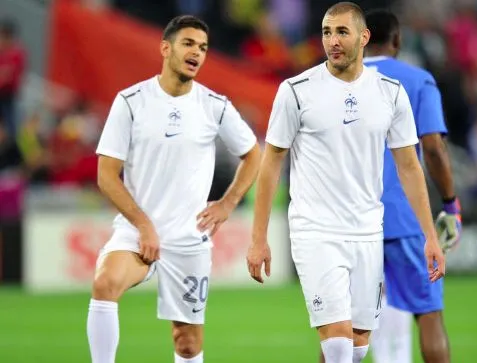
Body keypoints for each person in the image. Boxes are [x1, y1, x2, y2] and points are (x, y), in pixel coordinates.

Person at [246, 3, 445, 363]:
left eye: (341, 32)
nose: (332, 41)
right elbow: (271, 163)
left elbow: (410, 167)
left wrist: (429, 234)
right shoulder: (296, 91)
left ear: (364, 37)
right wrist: (258, 238)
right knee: (337, 341)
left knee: (357, 344)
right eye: (326, 32)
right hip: (316, 231)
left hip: (369, 231)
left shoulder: (391, 92)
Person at [88, 15, 261, 363]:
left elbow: (253, 154)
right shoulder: (131, 101)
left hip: (188, 239)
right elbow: (106, 175)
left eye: (203, 48)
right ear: (165, 48)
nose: (197, 52)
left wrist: (229, 203)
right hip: (137, 232)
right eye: (188, 44)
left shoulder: (214, 106)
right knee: (105, 285)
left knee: (186, 342)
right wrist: (143, 224)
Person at [363, 10, 462, 363]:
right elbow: (433, 148)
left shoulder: (336, 83)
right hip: (405, 219)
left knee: (341, 329)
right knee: (429, 315)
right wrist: (450, 205)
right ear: (397, 40)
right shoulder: (417, 80)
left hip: (351, 221)